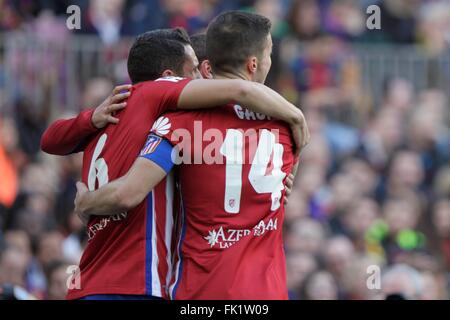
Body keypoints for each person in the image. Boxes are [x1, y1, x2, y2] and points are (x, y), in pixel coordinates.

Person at [42, 27, 308, 300]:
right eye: (193, 70)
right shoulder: (161, 101)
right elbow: (240, 90)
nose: (201, 78)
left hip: (88, 283)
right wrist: (296, 116)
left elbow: (49, 140)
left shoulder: (111, 117)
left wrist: (90, 118)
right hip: (138, 284)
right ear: (169, 78)